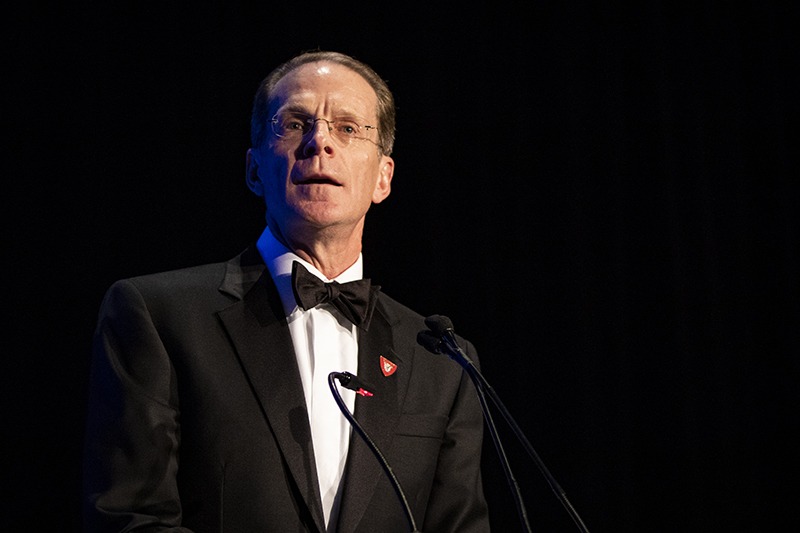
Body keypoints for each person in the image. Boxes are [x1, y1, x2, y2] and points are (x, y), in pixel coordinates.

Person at [83, 51, 490, 532]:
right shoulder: (158, 316)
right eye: (295, 124)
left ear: (383, 177)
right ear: (254, 170)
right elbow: (131, 518)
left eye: (348, 128)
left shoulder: (442, 360)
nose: (320, 141)